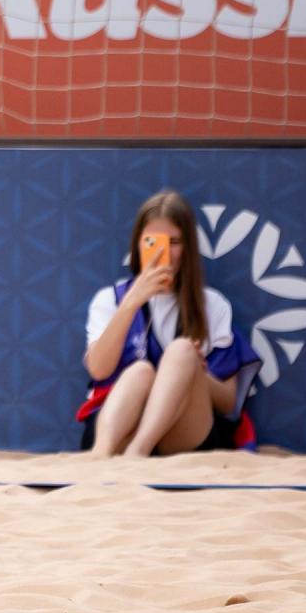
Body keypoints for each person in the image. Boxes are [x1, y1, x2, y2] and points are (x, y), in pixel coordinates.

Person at [79, 189, 260, 457]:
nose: (163, 251)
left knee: (182, 351)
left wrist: (195, 371)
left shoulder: (212, 304)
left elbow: (228, 402)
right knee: (140, 372)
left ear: (188, 247)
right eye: (152, 241)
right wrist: (131, 304)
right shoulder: (110, 299)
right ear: (137, 245)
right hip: (119, 427)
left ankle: (137, 452)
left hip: (183, 430)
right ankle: (100, 457)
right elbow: (98, 369)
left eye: (174, 241)